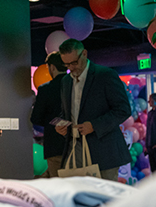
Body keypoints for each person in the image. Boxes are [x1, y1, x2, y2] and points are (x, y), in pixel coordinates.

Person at [55, 39, 131, 181]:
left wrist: (94, 125)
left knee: (105, 193)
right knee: (78, 192)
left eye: (74, 62)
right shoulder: (66, 81)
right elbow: (67, 112)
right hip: (74, 147)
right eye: (67, 64)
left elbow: (123, 109)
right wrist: (62, 125)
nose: (71, 68)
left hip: (104, 150)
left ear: (84, 54)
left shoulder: (105, 75)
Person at [30, 52, 67, 177]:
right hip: (77, 145)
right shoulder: (77, 86)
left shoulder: (45, 89)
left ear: (52, 67)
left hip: (54, 146)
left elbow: (36, 118)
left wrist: (51, 121)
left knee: (58, 184)